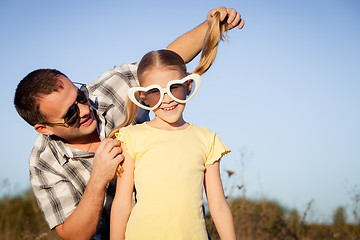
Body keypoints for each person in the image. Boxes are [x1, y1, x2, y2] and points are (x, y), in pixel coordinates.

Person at [13, 6, 244, 240]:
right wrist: (98, 179)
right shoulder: (43, 164)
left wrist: (212, 26)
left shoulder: (109, 89)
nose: (85, 109)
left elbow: (162, 66)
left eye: (80, 96)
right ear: (45, 129)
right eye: (70, 113)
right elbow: (73, 235)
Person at [109, 11, 236, 240]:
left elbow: (218, 206)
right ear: (143, 98)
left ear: (188, 86)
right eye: (155, 92)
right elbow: (121, 204)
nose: (166, 99)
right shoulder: (131, 137)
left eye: (174, 88)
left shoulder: (207, 139)